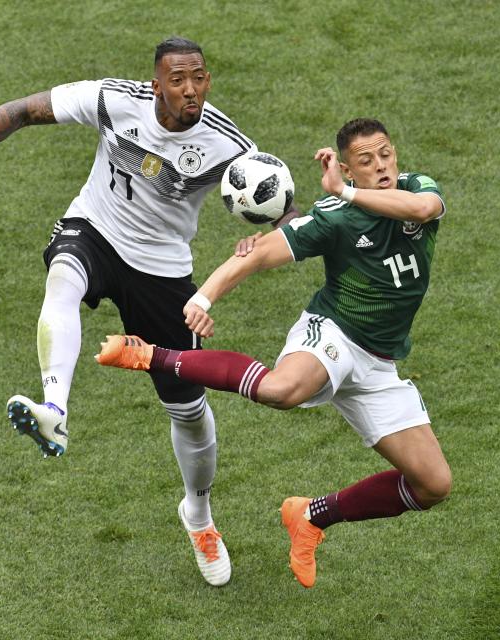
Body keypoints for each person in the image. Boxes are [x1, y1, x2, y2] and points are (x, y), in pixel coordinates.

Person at [0, 36, 273, 587]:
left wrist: (255, 244)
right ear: (156, 82)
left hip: (162, 271)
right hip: (94, 228)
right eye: (178, 80)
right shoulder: (114, 100)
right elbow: (21, 111)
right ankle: (55, 412)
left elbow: (283, 208)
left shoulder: (227, 143)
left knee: (187, 408)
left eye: (200, 78)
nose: (191, 90)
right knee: (62, 280)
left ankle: (199, 515)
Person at [96, 118, 452, 588]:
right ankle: (150, 355)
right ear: (348, 168)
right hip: (334, 334)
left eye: (386, 154)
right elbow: (259, 254)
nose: (382, 165)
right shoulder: (335, 217)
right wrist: (203, 298)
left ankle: (310, 516)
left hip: (379, 361)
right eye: (366, 161)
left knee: (433, 485)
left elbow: (424, 207)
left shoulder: (415, 189)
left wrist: (347, 190)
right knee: (281, 390)